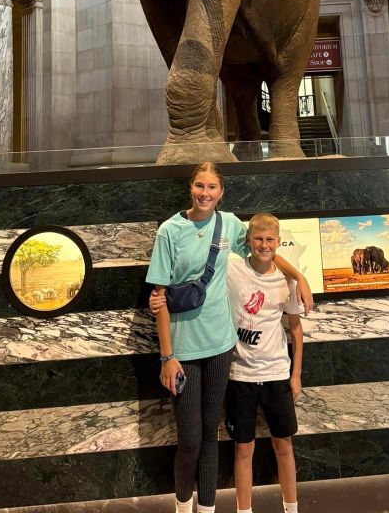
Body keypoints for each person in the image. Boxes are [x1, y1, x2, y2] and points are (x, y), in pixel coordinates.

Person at [147, 162, 311, 513]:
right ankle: (182, 507)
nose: (205, 193)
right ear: (191, 187)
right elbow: (159, 297)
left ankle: (207, 509)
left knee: (211, 434)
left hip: (222, 348)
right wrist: (167, 356)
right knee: (190, 438)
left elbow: (264, 249)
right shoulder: (169, 231)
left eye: (212, 187)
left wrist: (299, 277)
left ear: (221, 192)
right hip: (184, 350)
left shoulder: (230, 224)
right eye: (200, 186)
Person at [225, 213, 304, 513]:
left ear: (278, 242)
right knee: (243, 448)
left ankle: (291, 508)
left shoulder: (286, 281)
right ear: (248, 241)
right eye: (258, 238)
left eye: (270, 239)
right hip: (239, 374)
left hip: (276, 373)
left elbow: (295, 329)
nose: (264, 245)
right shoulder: (232, 269)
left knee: (283, 444)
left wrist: (295, 375)